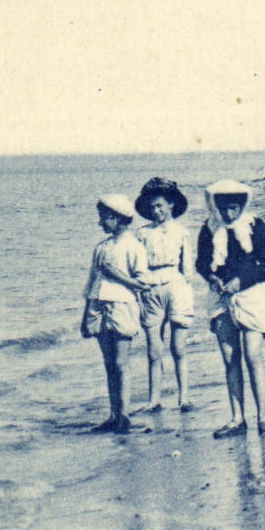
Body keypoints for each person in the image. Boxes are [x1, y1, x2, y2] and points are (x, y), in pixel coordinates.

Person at [196, 180, 265, 439]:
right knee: (230, 359)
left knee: (253, 356)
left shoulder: (255, 225)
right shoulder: (209, 228)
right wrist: (212, 278)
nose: (229, 213)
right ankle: (237, 418)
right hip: (220, 297)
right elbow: (201, 263)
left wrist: (240, 281)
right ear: (215, 207)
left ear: (242, 205)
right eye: (223, 208)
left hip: (251, 295)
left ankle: (263, 415)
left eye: (233, 207)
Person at [83, 194, 149, 433]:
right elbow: (92, 283)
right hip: (99, 305)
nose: (100, 222)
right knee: (109, 363)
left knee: (121, 363)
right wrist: (86, 315)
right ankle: (114, 415)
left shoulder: (134, 246)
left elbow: (143, 283)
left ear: (118, 218)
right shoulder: (101, 247)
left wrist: (116, 275)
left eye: (104, 218)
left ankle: (124, 415)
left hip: (122, 305)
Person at [133, 177, 197, 413]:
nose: (156, 211)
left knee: (178, 347)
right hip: (150, 287)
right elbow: (138, 265)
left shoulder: (181, 232)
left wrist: (185, 287)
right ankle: (154, 399)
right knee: (153, 349)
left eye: (159, 206)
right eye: (152, 207)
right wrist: (140, 289)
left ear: (171, 204)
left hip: (176, 286)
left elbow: (187, 269)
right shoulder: (142, 233)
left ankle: (184, 397)